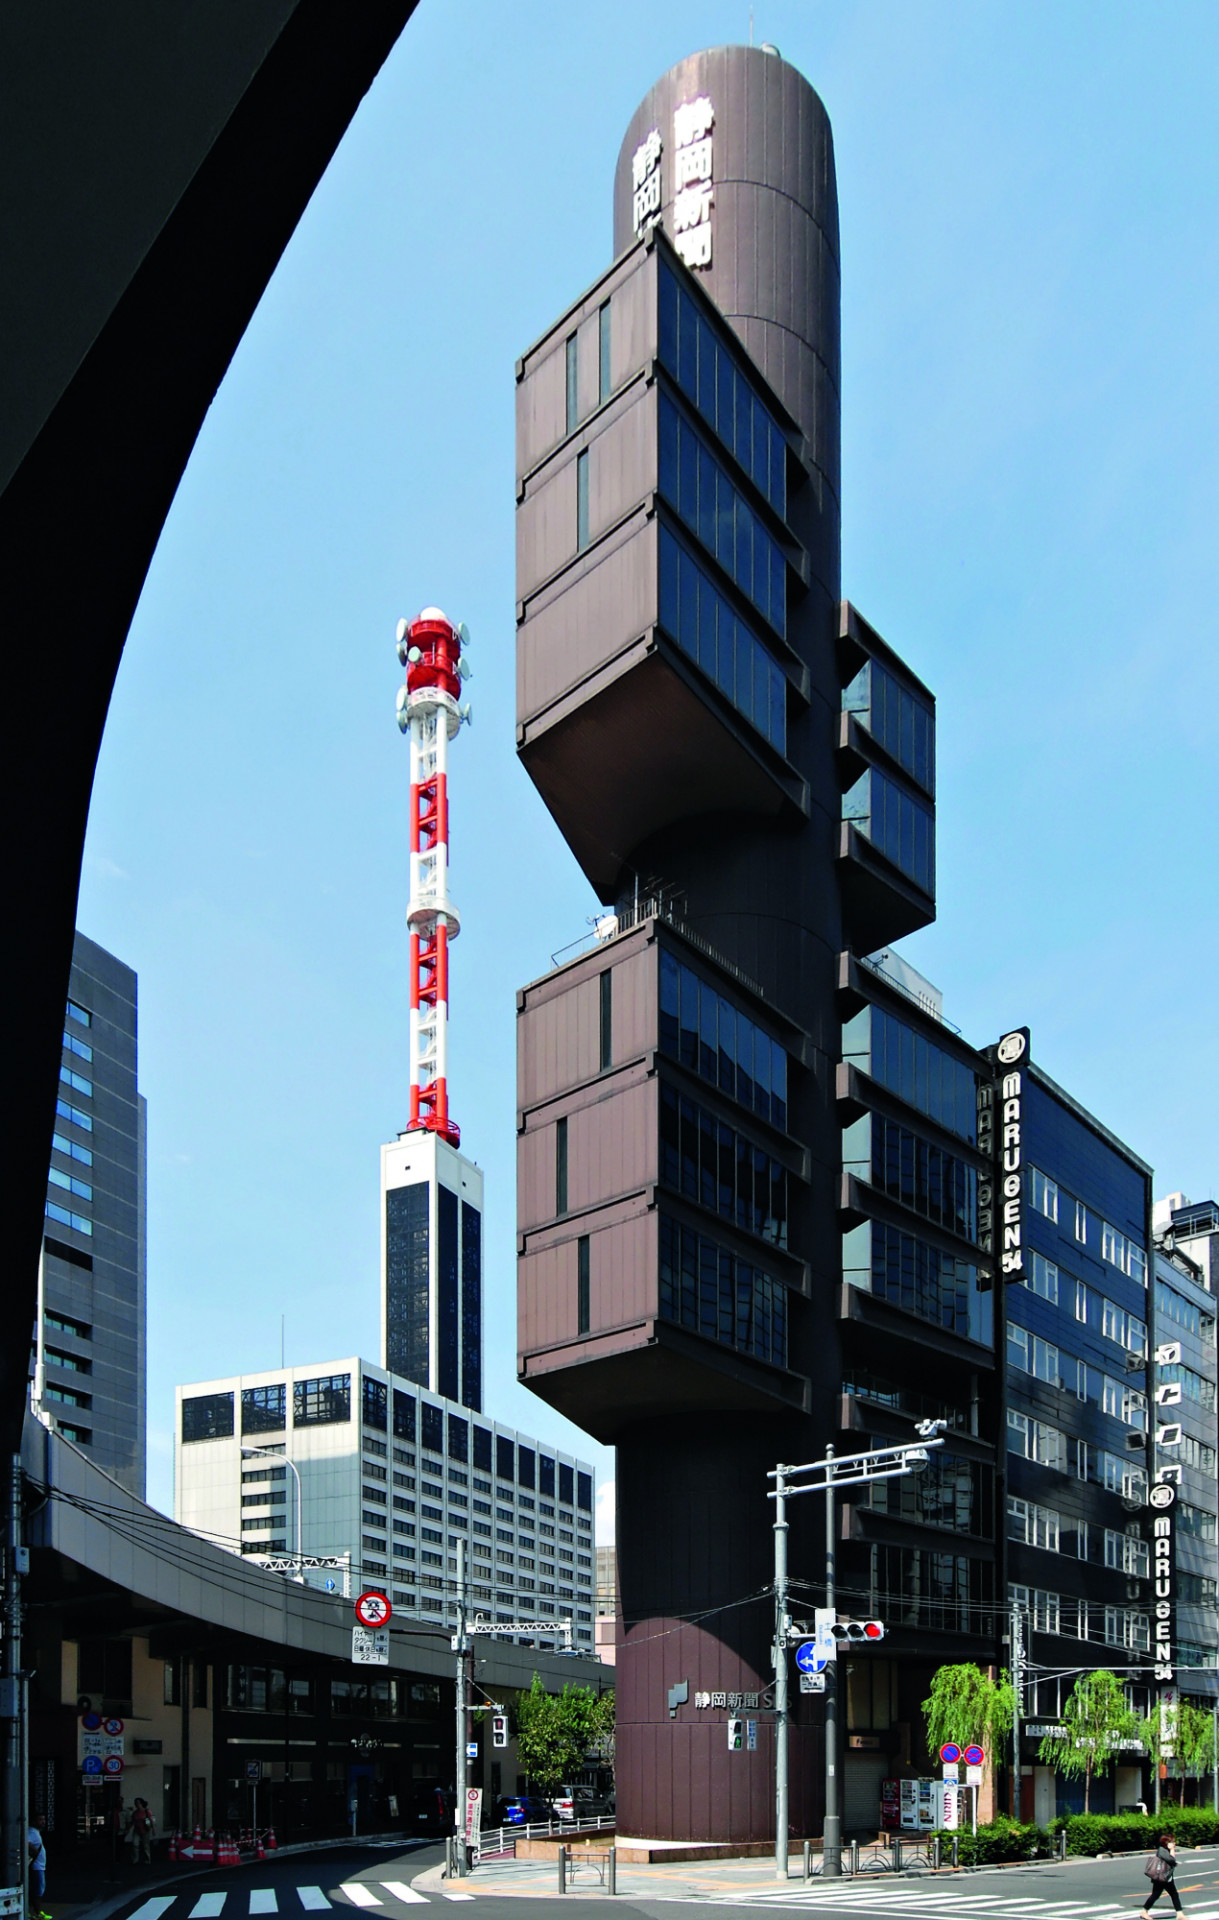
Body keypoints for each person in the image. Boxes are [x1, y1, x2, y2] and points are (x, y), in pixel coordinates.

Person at [1142, 1831, 1182, 1916]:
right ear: (1167, 1843)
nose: (1174, 1843)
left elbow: (1171, 1861)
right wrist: (1172, 1850)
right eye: (1172, 1842)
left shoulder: (1164, 1850)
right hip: (1162, 1877)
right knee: (1157, 1895)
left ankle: (1180, 1914)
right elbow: (1171, 1860)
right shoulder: (1162, 1850)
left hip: (1165, 1876)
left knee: (1171, 1894)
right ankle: (1144, 1912)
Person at [28, 1824, 49, 1920]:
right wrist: (35, 1851)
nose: (43, 1822)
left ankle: (34, 1912)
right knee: (38, 1890)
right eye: (40, 1820)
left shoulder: (35, 1832)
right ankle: (38, 1913)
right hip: (36, 1866)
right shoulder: (32, 1831)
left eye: (43, 1820)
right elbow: (27, 1841)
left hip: (39, 1866)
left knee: (37, 1889)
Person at [127, 1796, 156, 1865]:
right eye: (135, 1803)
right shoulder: (135, 1813)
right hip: (137, 1830)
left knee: (146, 1846)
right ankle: (135, 1860)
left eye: (138, 1803)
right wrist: (128, 1828)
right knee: (134, 1844)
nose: (136, 1805)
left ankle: (147, 1859)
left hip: (145, 1830)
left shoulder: (147, 1811)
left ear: (141, 1804)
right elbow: (132, 1821)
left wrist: (153, 1829)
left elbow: (152, 1820)